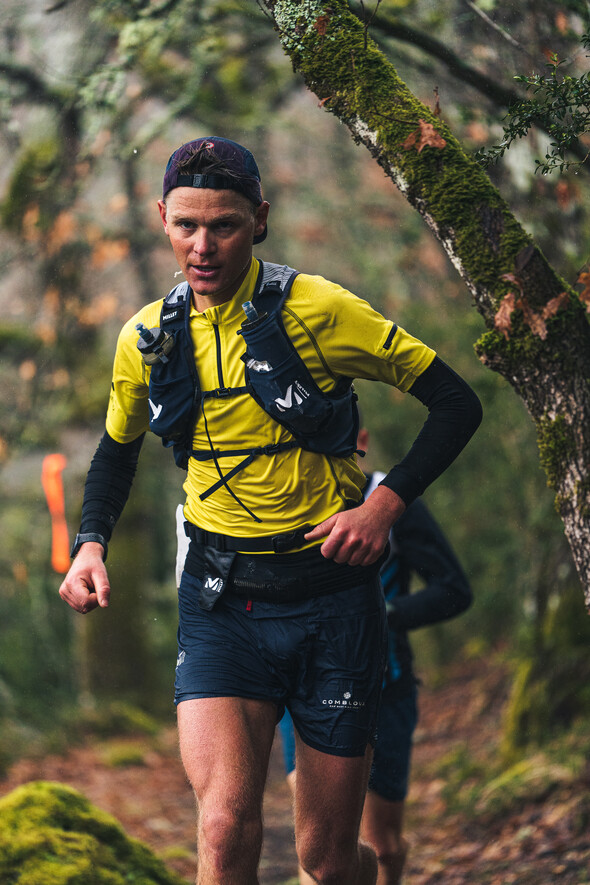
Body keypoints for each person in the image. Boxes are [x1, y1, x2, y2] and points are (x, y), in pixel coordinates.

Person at [59, 136, 482, 885]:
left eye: (223, 224)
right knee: (223, 829)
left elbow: (454, 402)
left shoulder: (319, 308)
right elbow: (116, 452)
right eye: (186, 224)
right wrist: (90, 543)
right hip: (222, 598)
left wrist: (385, 505)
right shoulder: (147, 339)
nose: (202, 245)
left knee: (326, 859)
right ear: (161, 218)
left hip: (334, 603)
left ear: (259, 219)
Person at [278, 426, 473, 884]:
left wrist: (381, 614)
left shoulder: (392, 502)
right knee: (319, 846)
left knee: (381, 841)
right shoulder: (278, 502)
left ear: (360, 437)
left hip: (385, 686)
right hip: (304, 689)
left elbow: (454, 591)